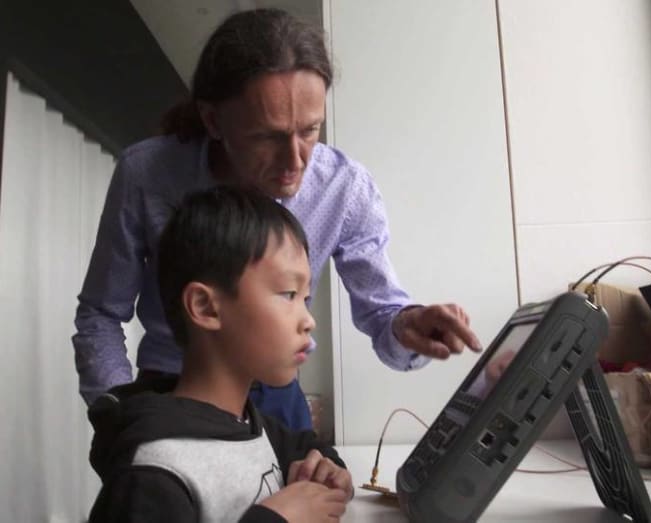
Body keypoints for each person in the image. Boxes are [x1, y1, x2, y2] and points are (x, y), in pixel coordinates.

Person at [72, 7, 481, 430]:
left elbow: (383, 316)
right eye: (267, 136)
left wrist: (407, 324)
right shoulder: (146, 174)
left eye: (310, 131)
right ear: (213, 120)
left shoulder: (344, 188)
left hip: (277, 394)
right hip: (172, 388)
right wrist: (118, 415)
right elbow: (101, 313)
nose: (295, 161)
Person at [87, 186, 352, 523]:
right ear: (205, 307)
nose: (308, 321)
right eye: (288, 294)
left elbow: (305, 447)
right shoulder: (150, 473)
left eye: (305, 297)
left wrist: (329, 469)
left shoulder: (248, 422)